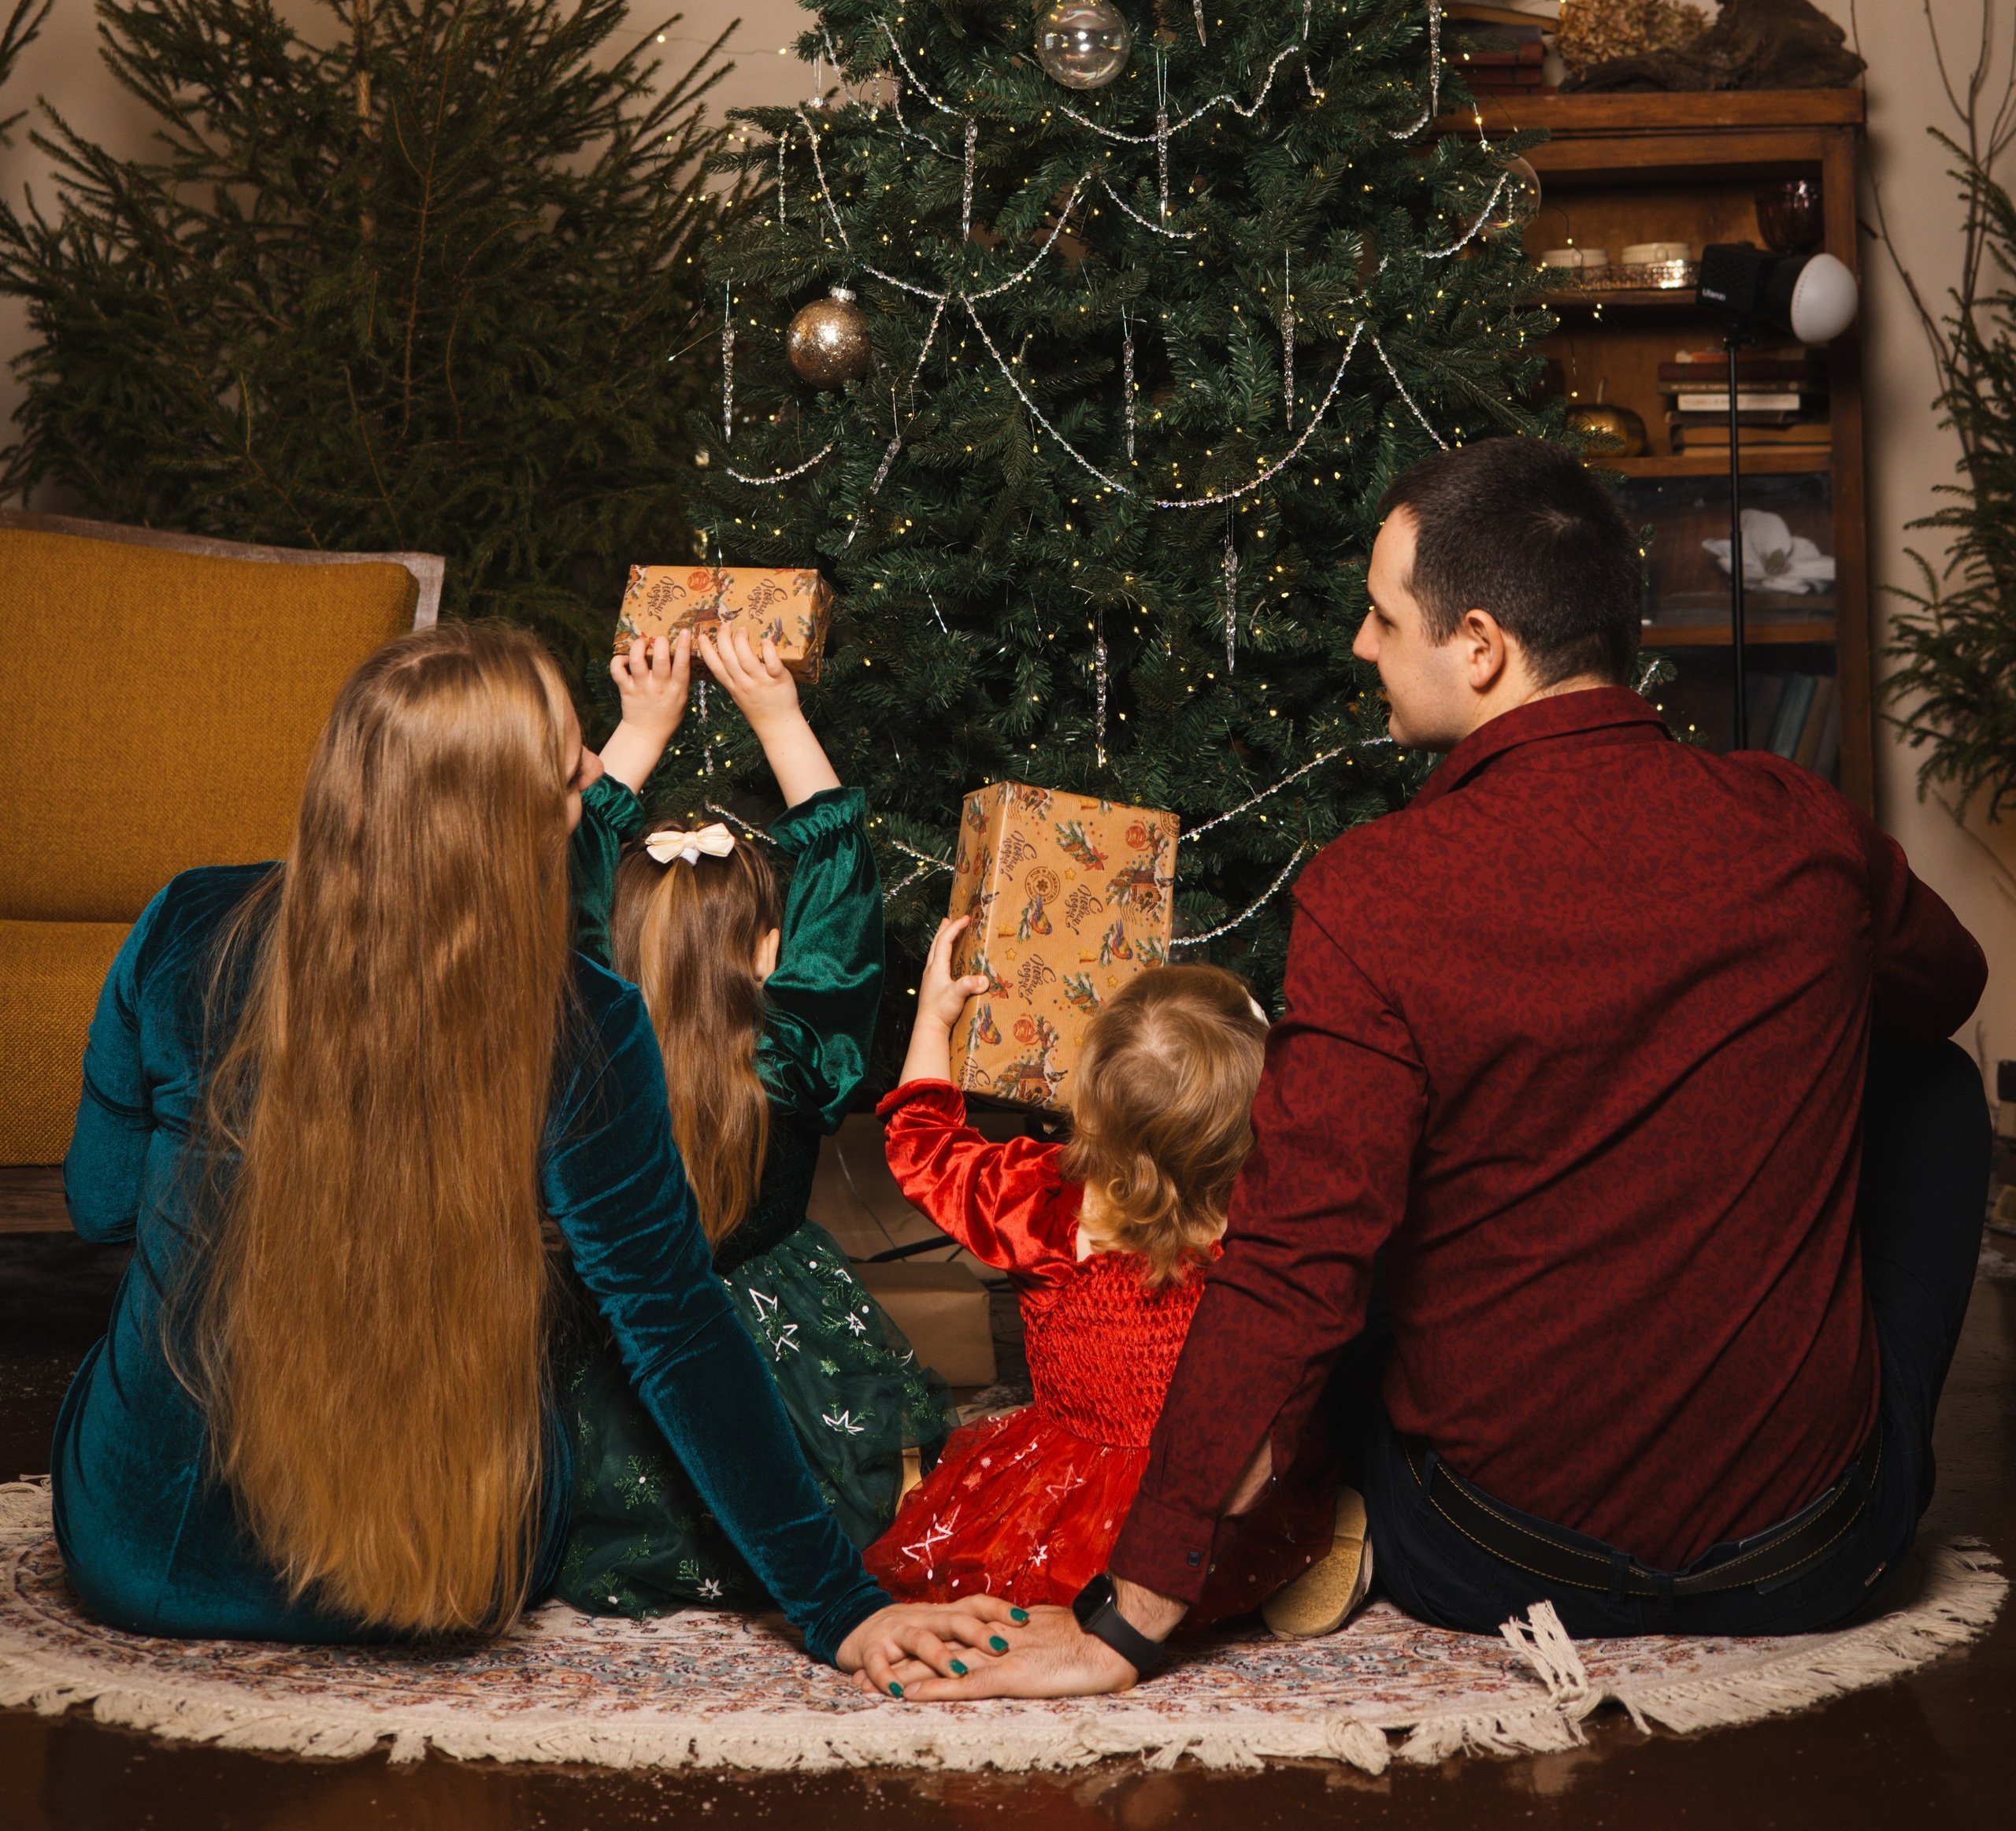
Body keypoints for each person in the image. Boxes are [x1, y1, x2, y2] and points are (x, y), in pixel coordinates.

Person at [892, 435, 1990, 1699]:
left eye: (1381, 615)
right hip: (1806, 1558)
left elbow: (1294, 1268)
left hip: (1490, 1559)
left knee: (1342, 1205)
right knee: (1934, 1087)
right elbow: (1946, 987)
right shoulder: (1801, 823)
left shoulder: (1380, 891)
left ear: (1479, 646)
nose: (1361, 646)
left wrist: (1124, 1625)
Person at [54, 619, 1021, 1692]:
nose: (602, 772)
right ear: (498, 833)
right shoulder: (588, 1020)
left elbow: (99, 1205)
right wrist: (840, 1604)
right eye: (572, 777)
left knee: (124, 1366)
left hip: (141, 1558)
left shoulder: (184, 921)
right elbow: (675, 1327)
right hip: (434, 1582)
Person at [559, 619, 950, 1615]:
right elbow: (844, 904)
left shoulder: (578, 1051)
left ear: (610, 950)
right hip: (781, 1374)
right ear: (771, 954)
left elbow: (563, 879)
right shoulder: (796, 1057)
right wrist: (779, 714)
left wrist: (637, 729)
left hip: (615, 1351)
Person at [859, 919, 1327, 1624]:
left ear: (1090, 1100)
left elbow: (924, 1147)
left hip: (1063, 1510)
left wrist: (933, 1017)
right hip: (1196, 1511)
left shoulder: (1043, 1204)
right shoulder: (1273, 1216)